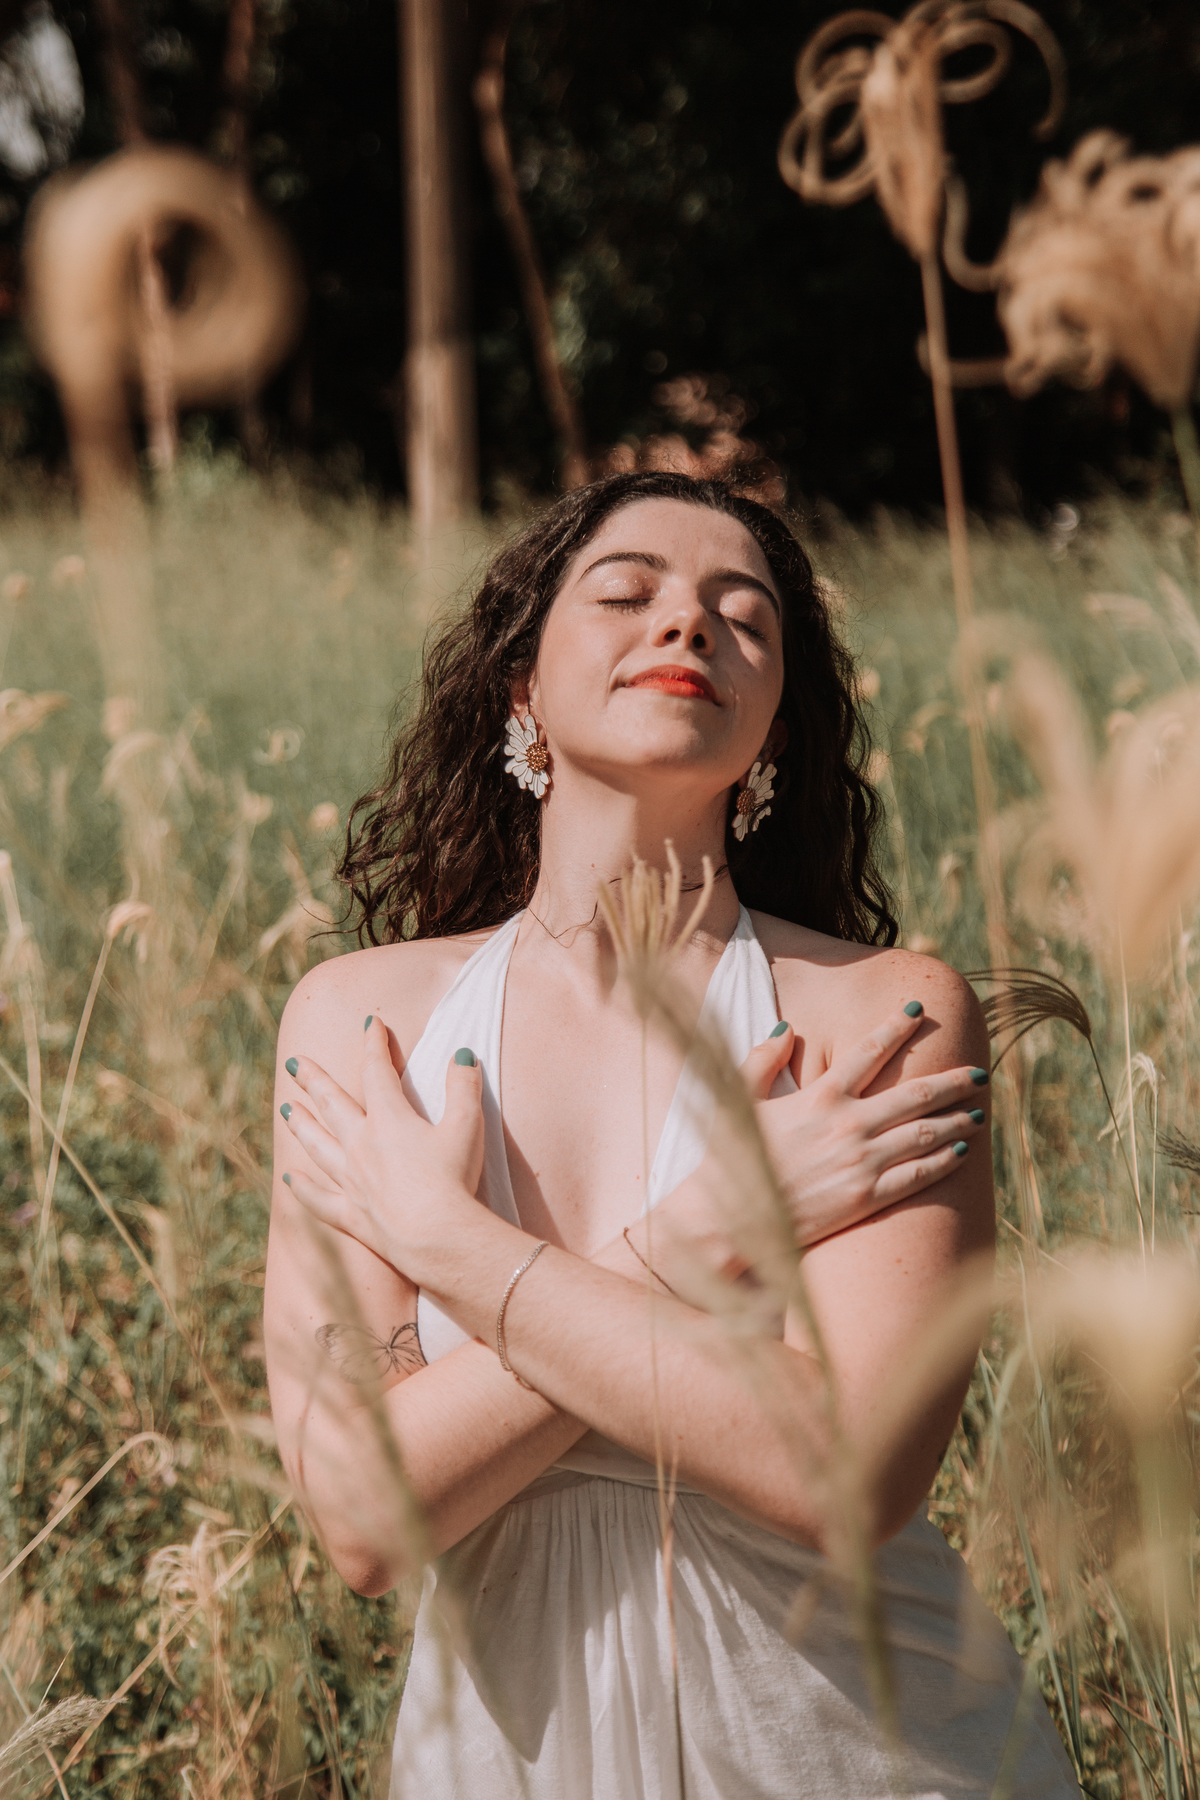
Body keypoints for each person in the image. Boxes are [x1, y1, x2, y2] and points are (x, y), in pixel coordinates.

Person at [264, 471, 1078, 1799]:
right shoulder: (363, 1025)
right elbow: (361, 1514)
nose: (689, 626)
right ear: (520, 684)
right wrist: (711, 1232)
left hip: (859, 1748)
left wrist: (449, 1253)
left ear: (772, 732)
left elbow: (845, 1478)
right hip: (504, 1761)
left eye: (742, 618)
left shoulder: (882, 1023)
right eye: (628, 593)